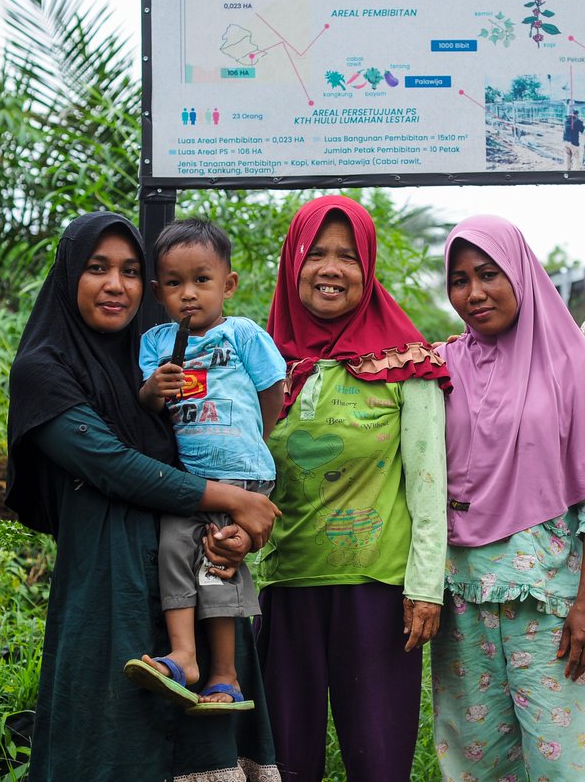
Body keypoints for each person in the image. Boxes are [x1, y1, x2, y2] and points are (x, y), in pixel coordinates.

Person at [5, 211, 281, 781]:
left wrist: (237, 525)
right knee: (114, 736)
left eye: (130, 271)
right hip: (111, 588)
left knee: (204, 744)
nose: (116, 284)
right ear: (68, 275)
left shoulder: (154, 356)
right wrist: (234, 499)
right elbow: (111, 465)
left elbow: (218, 440)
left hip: (199, 575)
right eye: (97, 268)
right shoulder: (44, 370)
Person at [432, 214, 585, 781]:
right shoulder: (442, 367)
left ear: (520, 273)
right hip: (462, 597)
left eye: (489, 274)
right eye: (459, 280)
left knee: (564, 760)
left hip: (548, 601)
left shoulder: (574, 367)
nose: (474, 293)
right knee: (473, 760)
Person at [254, 195, 450, 781]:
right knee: (285, 764)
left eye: (348, 256)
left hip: (378, 595)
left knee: (379, 761)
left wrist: (425, 587)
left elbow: (428, 483)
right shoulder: (263, 364)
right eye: (316, 254)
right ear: (293, 263)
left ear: (368, 268)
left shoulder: (406, 363)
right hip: (284, 587)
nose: (331, 269)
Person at [125, 219, 285, 712]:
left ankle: (226, 675)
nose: (189, 294)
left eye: (202, 280)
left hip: (240, 470)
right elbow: (148, 405)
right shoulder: (155, 343)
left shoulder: (242, 334)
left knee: (217, 561)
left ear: (228, 284)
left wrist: (256, 439)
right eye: (174, 284)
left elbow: (273, 390)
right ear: (158, 292)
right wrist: (153, 390)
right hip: (190, 478)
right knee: (175, 547)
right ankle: (184, 657)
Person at [563, 107, 585, 171]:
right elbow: (583, 131)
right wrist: (583, 124)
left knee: (567, 156)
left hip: (565, 141)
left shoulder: (566, 120)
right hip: (574, 142)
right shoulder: (578, 121)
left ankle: (567, 170)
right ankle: (575, 170)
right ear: (576, 114)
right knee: (576, 157)